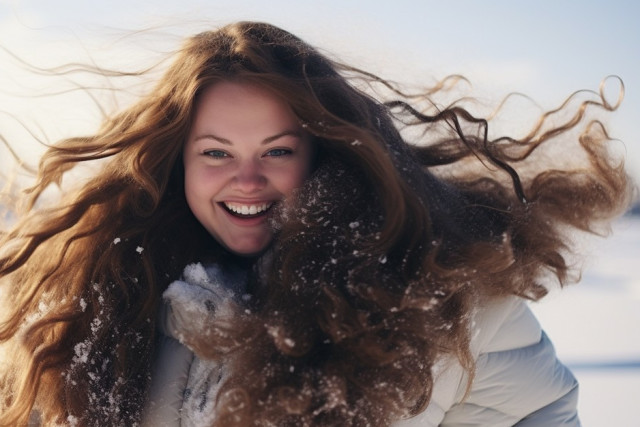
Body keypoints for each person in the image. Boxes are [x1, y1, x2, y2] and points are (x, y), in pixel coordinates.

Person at [0, 21, 633, 427]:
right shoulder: (108, 293)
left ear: (325, 153)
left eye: (277, 151)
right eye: (216, 153)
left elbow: (538, 414)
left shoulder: (442, 293)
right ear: (176, 165)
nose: (247, 180)